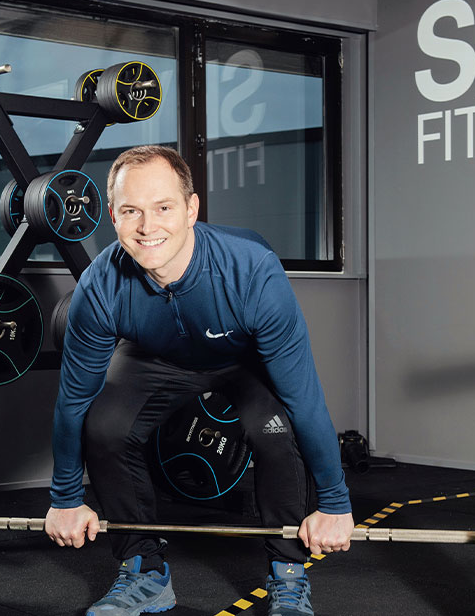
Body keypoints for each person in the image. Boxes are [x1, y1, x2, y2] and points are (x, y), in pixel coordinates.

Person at [44, 145, 354, 616]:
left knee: (275, 429)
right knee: (105, 426)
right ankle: (144, 572)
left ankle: (288, 573)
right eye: (131, 211)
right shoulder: (100, 285)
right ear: (113, 216)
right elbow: (73, 401)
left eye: (163, 208)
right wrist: (66, 498)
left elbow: (305, 399)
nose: (147, 227)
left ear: (191, 209)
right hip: (155, 358)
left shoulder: (252, 271)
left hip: (244, 361)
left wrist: (334, 503)